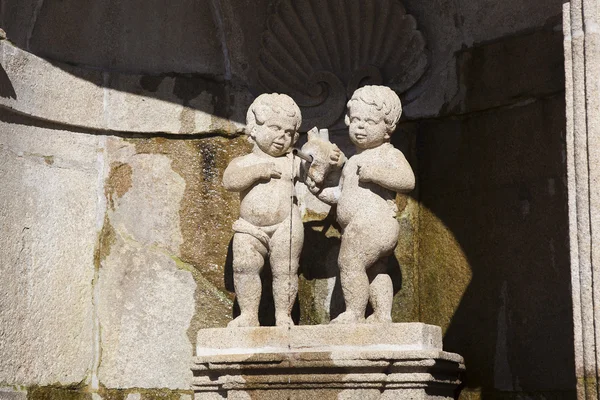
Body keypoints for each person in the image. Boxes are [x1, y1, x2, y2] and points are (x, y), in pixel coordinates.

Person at [311, 85, 416, 324]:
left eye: (369, 121)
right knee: (376, 269)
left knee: (349, 261)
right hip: (362, 225)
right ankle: (381, 315)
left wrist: (375, 173)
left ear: (387, 128)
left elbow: (407, 181)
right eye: (356, 119)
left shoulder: (388, 154)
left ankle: (354, 313)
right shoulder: (353, 160)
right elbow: (341, 195)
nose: (360, 126)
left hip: (374, 223)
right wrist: (318, 191)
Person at [222, 93, 304, 327]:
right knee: (244, 266)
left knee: (285, 271)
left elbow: (315, 178)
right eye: (276, 128)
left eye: (289, 133)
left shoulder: (291, 161)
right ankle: (248, 314)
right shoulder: (244, 161)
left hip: (286, 226)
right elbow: (230, 181)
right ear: (254, 129)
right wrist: (257, 171)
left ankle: (283, 316)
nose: (282, 137)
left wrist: (328, 160)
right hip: (250, 228)